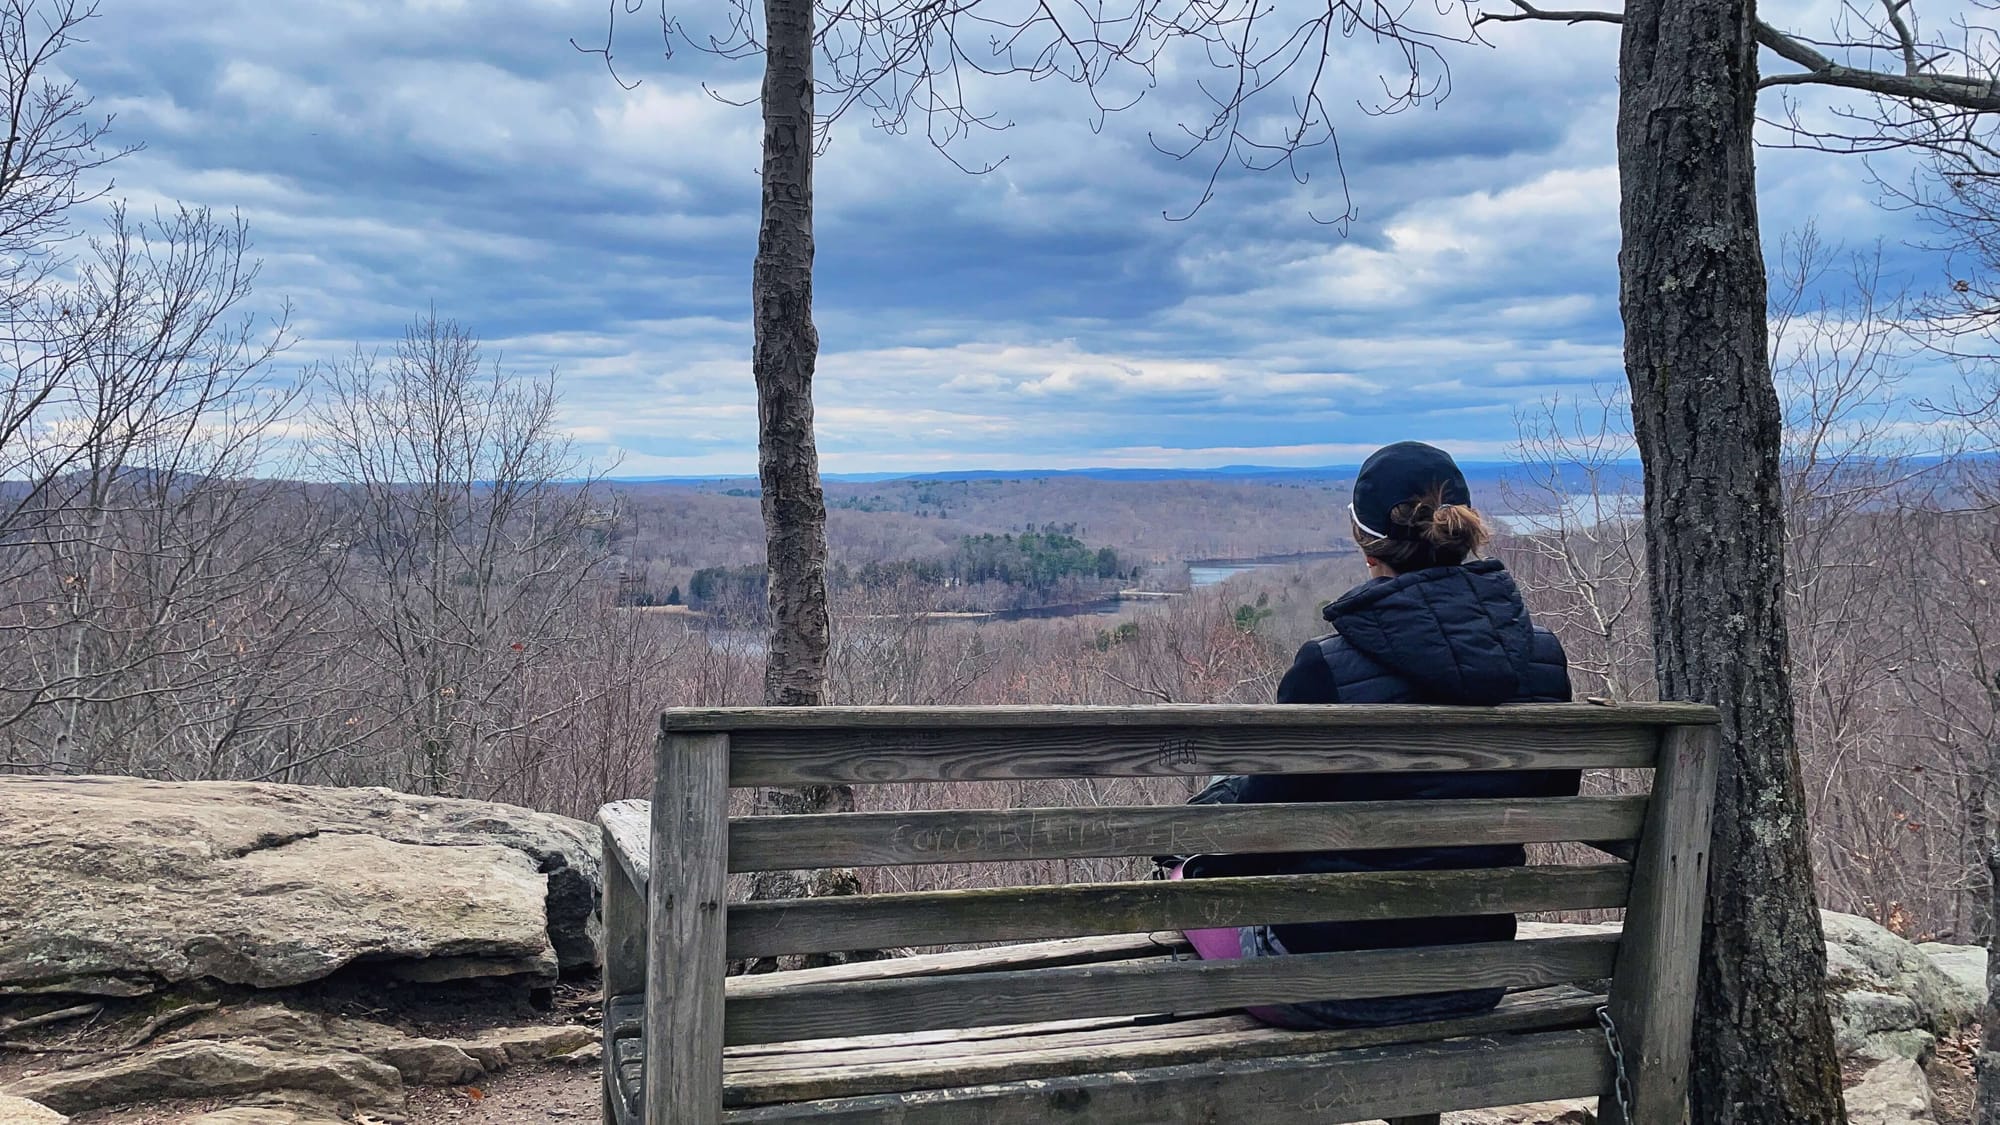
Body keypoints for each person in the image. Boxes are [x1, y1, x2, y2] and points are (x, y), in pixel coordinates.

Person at [1163, 440, 1578, 1029]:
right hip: (1477, 974)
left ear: (1366, 547)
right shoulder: (1542, 661)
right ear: (1463, 533)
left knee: (1185, 875)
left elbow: (1258, 835)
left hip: (1322, 985)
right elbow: (1553, 805)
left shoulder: (1326, 668)